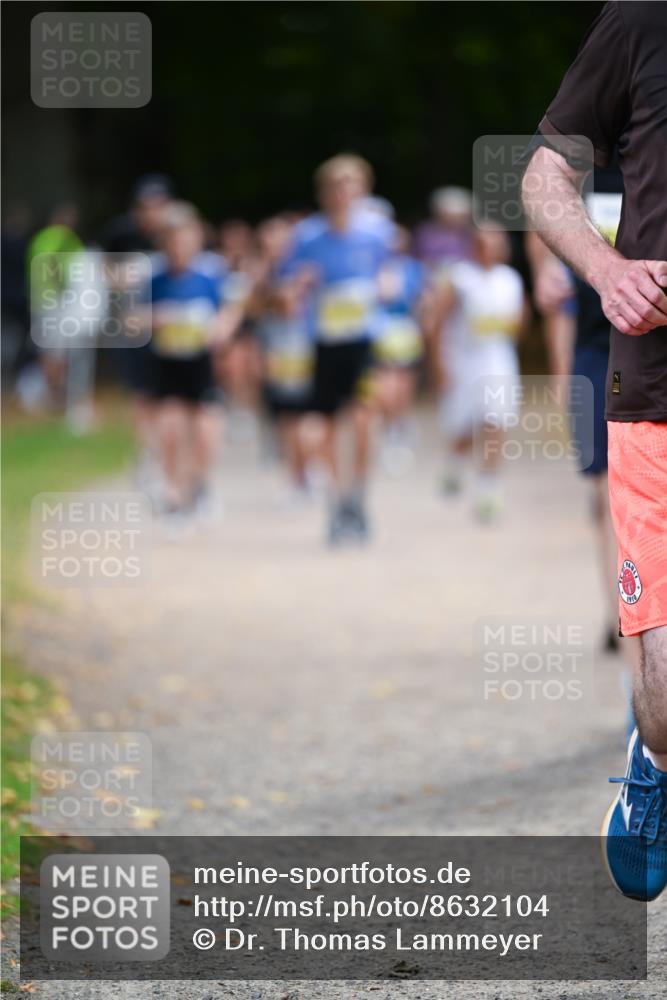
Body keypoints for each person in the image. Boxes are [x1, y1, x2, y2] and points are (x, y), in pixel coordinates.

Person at [522, 0, 667, 901]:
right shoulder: (643, 23)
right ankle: (651, 750)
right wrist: (608, 269)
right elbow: (544, 178)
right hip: (656, 390)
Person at [280, 155, 388, 544]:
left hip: (362, 341)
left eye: (351, 185)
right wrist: (297, 288)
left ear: (362, 190)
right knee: (324, 426)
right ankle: (336, 499)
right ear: (324, 193)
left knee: (363, 419)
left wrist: (388, 286)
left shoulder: (377, 232)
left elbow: (392, 274)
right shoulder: (307, 236)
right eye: (336, 186)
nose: (343, 193)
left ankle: (357, 496)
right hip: (324, 342)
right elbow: (286, 286)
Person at [427, 224, 525, 521]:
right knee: (465, 428)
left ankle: (488, 491)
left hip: (499, 364)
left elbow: (520, 322)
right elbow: (437, 323)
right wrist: (440, 366)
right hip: (464, 364)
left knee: (496, 422)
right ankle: (454, 464)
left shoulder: (510, 280)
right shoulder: (459, 278)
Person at [147, 202, 227, 525]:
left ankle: (199, 485)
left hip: (203, 365)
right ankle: (174, 494)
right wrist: (157, 318)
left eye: (185, 238)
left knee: (205, 433)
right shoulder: (152, 276)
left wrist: (220, 327)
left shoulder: (212, 272)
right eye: (172, 240)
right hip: (168, 365)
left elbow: (232, 309)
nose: (179, 246)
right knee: (170, 431)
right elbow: (129, 317)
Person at [373, 226, 425, 475]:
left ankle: (399, 427)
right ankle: (390, 428)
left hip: (406, 331)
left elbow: (421, 300)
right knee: (386, 387)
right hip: (381, 331)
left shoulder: (413, 268)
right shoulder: (374, 266)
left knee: (403, 386)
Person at [413, 186, 474, 269]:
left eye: (462, 216)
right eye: (454, 215)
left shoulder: (470, 234)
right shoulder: (426, 233)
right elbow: (420, 257)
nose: (459, 220)